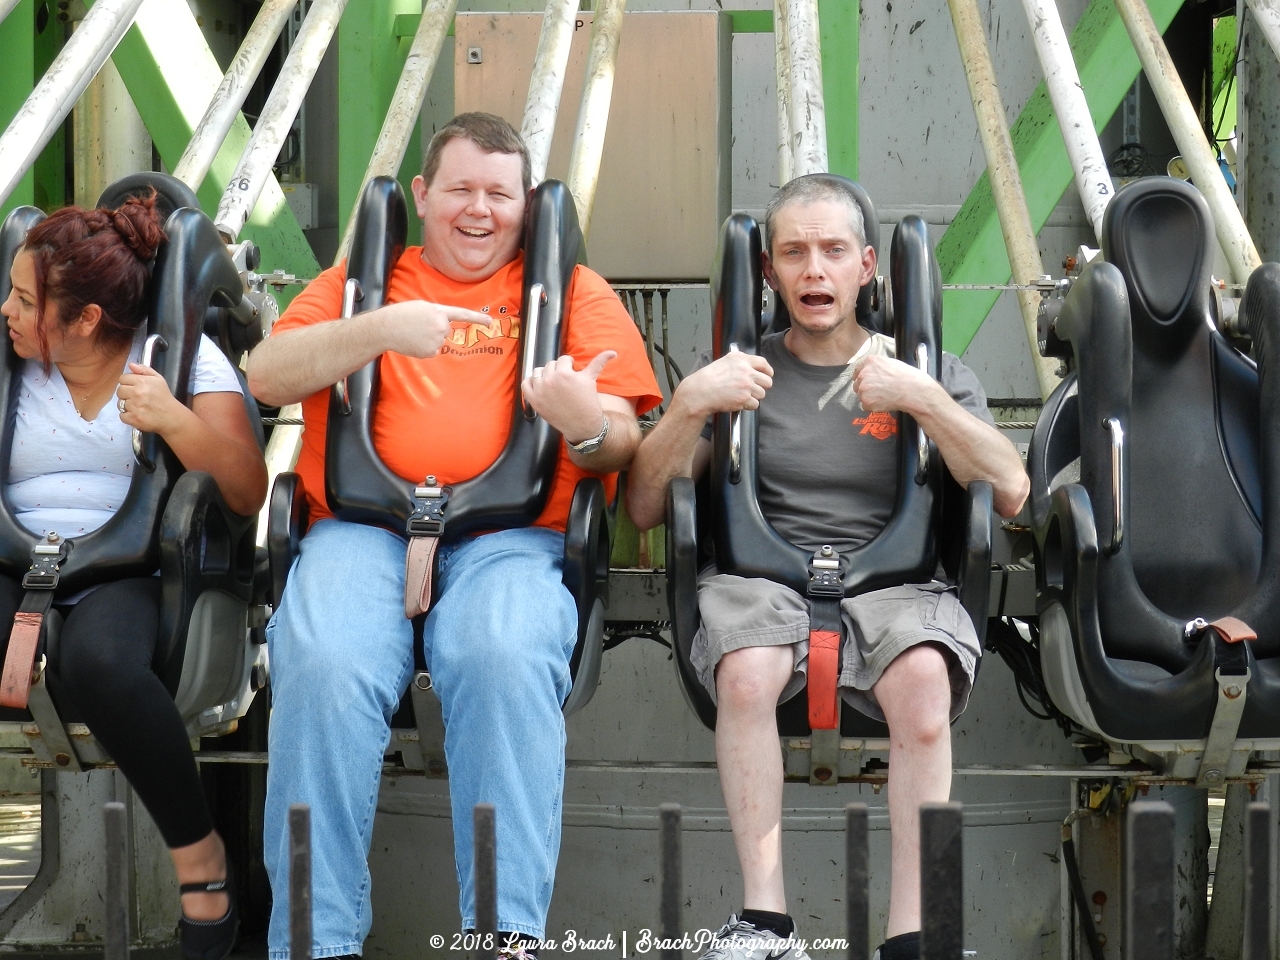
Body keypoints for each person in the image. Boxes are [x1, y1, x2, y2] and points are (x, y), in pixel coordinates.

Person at [246, 112, 662, 960]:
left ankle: (505, 936)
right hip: (360, 529)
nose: (480, 211)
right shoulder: (359, 284)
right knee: (320, 660)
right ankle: (312, 941)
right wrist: (382, 330)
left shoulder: (573, 292)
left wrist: (586, 421)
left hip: (517, 536)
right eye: (462, 191)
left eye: (499, 194)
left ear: (526, 205)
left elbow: (624, 437)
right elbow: (265, 374)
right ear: (425, 196)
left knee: (503, 654)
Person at [625, 174, 1029, 960]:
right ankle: (764, 923)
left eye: (834, 252)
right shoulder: (741, 378)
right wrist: (688, 405)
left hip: (896, 582)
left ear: (867, 266)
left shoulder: (931, 369)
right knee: (745, 675)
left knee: (922, 690)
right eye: (795, 253)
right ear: (769, 272)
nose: (815, 271)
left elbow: (1010, 489)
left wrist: (926, 400)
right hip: (763, 582)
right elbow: (643, 507)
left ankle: (914, 935)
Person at [0, 195, 268, 960]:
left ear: (84, 320)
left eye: (24, 301)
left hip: (129, 563)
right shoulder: (8, 360)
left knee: (101, 665)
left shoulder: (179, 357)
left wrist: (174, 418)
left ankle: (201, 862)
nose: (7, 311)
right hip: (14, 555)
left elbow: (247, 488)